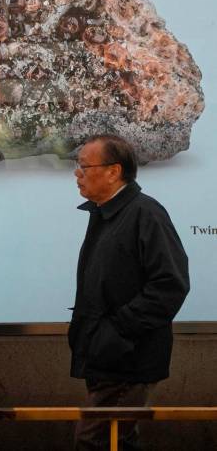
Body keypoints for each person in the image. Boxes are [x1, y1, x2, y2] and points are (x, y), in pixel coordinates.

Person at [69, 134, 189, 451]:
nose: (77, 173)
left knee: (95, 440)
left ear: (113, 171)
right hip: (109, 356)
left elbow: (170, 284)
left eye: (83, 166)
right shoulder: (105, 213)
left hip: (128, 358)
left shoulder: (145, 214)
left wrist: (117, 330)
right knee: (115, 440)